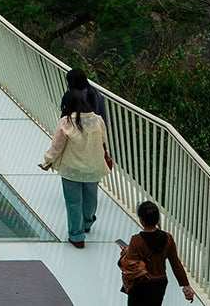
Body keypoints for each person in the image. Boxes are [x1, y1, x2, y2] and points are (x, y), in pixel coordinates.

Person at [40, 89, 112, 246]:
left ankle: (77, 236)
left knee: (73, 203)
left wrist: (47, 161)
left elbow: (57, 146)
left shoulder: (66, 122)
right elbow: (103, 142)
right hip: (93, 168)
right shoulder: (98, 120)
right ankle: (87, 223)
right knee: (91, 199)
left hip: (71, 170)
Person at [117, 200, 195, 303]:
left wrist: (125, 253)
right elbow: (176, 264)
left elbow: (129, 264)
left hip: (140, 283)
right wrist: (185, 285)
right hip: (159, 283)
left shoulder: (136, 240)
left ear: (141, 220)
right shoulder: (168, 238)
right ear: (157, 219)